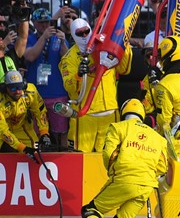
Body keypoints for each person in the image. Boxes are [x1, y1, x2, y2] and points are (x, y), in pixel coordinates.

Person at [67, 99, 167, 218]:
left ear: (123, 112)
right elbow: (162, 166)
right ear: (142, 115)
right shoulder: (158, 138)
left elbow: (108, 154)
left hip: (124, 178)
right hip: (146, 185)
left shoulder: (117, 128)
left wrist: (114, 171)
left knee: (92, 209)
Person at [59, 18, 132, 152]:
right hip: (85, 117)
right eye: (80, 33)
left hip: (110, 113)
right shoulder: (69, 58)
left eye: (87, 31)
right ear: (74, 35)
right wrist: (78, 75)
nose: (85, 35)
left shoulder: (107, 46)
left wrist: (124, 45)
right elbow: (68, 87)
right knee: (79, 158)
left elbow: (124, 69)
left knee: (110, 156)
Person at [22, 8, 69, 150]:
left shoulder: (59, 37)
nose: (44, 25)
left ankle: (63, 157)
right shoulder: (29, 38)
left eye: (46, 22)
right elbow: (29, 56)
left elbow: (68, 59)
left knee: (61, 131)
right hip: (36, 94)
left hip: (57, 93)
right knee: (38, 132)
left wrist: (63, 43)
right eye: (40, 22)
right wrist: (43, 38)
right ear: (34, 23)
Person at [0, 70, 51, 158]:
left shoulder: (30, 92)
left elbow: (40, 112)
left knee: (35, 152)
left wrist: (44, 132)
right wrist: (21, 147)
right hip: (2, 130)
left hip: (22, 127)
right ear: (5, 88)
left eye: (19, 87)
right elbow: (2, 130)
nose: (17, 92)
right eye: (13, 88)